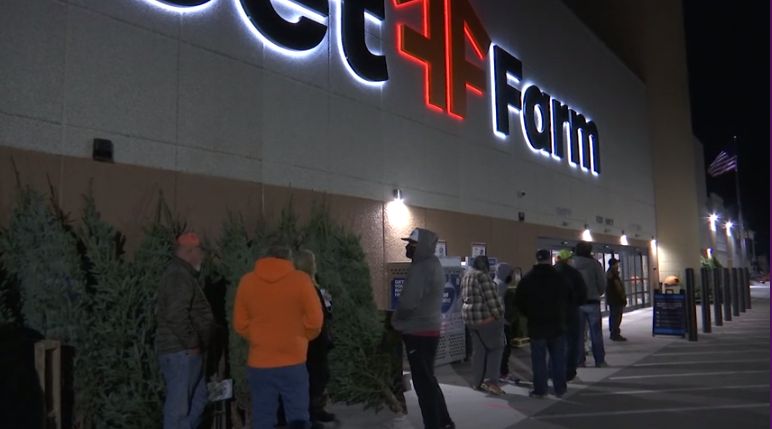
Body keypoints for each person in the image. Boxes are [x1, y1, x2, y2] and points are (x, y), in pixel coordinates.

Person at [233, 245, 323, 429]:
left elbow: (240, 323)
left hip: (260, 362)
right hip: (293, 360)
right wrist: (302, 337)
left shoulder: (247, 282)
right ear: (288, 259)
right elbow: (315, 321)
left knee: (262, 417)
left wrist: (258, 337)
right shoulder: (301, 280)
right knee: (298, 417)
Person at [391, 228, 455, 429]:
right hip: (430, 329)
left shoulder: (421, 267)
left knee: (423, 384)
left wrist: (396, 319)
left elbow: (408, 302)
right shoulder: (433, 263)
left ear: (422, 246)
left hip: (417, 331)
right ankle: (444, 421)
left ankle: (434, 424)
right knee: (429, 379)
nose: (407, 247)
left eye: (411, 244)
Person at [156, 232, 216, 429]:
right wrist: (192, 342)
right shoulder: (178, 276)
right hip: (181, 352)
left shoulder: (183, 275)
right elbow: (176, 315)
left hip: (186, 352)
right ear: (190, 252)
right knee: (179, 409)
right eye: (200, 252)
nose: (202, 257)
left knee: (198, 400)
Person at [514, 249, 571, 398]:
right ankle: (560, 388)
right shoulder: (559, 277)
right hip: (557, 324)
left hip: (536, 325)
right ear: (549, 258)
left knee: (538, 360)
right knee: (558, 358)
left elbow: (519, 301)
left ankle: (540, 389)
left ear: (537, 259)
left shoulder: (528, 278)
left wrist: (529, 313)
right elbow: (569, 297)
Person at [461, 255, 505, 395]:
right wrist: (498, 315)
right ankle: (491, 383)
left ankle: (477, 382)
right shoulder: (483, 277)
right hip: (485, 320)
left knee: (478, 351)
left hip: (470, 320)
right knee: (496, 348)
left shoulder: (466, 276)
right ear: (486, 266)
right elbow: (492, 300)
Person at [571, 241, 607, 368]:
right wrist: (598, 292)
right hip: (592, 302)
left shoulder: (571, 264)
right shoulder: (595, 264)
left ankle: (579, 361)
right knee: (596, 333)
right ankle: (600, 360)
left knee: (578, 334)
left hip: (576, 304)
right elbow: (602, 283)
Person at [553, 249, 587, 381]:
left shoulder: (550, 272)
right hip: (571, 312)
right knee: (572, 342)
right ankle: (569, 371)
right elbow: (582, 294)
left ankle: (553, 370)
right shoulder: (574, 273)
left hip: (553, 314)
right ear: (567, 260)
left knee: (554, 343)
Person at [493, 263, 516, 382]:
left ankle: (497, 372)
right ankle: (503, 373)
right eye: (511, 273)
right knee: (505, 349)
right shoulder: (502, 286)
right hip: (502, 322)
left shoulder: (494, 283)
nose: (512, 276)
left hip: (495, 322)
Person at [606, 257, 628, 341]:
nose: (618, 265)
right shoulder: (613, 274)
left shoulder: (608, 274)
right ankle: (615, 334)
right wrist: (623, 297)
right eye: (617, 264)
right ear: (614, 265)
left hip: (611, 299)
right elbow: (618, 287)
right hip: (616, 299)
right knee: (616, 317)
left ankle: (613, 333)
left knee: (613, 316)